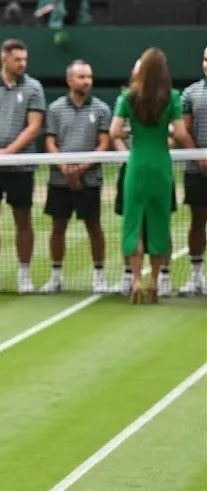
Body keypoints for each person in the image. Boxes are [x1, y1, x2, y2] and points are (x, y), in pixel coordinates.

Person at [110, 48, 195, 304]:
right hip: (160, 163)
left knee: (133, 222)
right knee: (159, 222)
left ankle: (135, 280)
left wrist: (132, 132)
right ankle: (154, 282)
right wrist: (164, 134)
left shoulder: (128, 97)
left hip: (137, 163)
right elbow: (180, 133)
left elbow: (115, 131)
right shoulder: (172, 97)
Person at [0, 39, 46, 293]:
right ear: (4, 59)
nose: (22, 64)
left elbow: (34, 126)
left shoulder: (34, 88)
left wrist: (9, 153)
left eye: (25, 59)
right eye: (17, 59)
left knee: (23, 218)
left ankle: (24, 275)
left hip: (21, 167)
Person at [40, 59, 111, 294]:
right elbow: (50, 141)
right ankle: (57, 275)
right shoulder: (55, 108)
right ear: (69, 80)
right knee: (58, 226)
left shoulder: (101, 109)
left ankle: (99, 275)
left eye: (89, 77)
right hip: (60, 179)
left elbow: (103, 144)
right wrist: (64, 167)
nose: (86, 81)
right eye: (81, 77)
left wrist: (80, 168)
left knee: (94, 226)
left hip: (89, 179)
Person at [178, 47, 207, 296]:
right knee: (197, 221)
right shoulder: (190, 93)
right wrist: (198, 156)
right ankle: (196, 276)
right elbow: (183, 130)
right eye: (206, 59)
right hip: (196, 169)